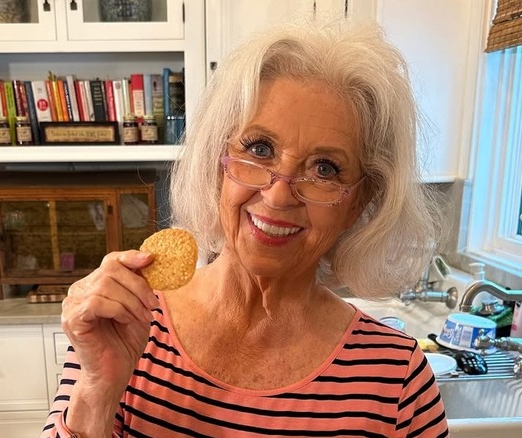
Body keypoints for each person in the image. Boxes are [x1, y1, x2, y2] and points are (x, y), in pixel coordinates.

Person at [43, 16, 448, 438]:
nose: (277, 196)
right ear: (218, 161)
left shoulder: (396, 379)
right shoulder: (127, 323)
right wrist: (98, 390)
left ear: (359, 202)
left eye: (324, 168)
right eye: (260, 149)